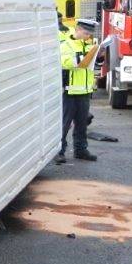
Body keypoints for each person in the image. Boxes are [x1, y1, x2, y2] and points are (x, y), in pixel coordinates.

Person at [56, 19, 98, 163]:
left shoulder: (89, 44)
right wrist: (85, 56)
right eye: (86, 33)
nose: (88, 36)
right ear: (77, 29)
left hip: (84, 91)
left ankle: (80, 150)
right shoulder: (66, 45)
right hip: (69, 92)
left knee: (81, 124)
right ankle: (59, 152)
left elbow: (93, 65)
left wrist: (99, 55)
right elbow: (66, 63)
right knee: (64, 125)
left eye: (90, 34)